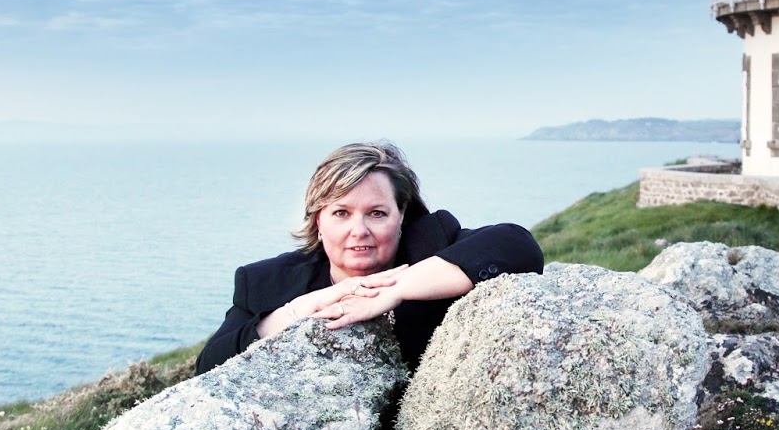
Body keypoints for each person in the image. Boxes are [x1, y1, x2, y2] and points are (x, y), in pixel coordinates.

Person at [195, 141, 543, 379]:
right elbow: (208, 366)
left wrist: (396, 288)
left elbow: (517, 245)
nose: (359, 231)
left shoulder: (431, 243)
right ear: (317, 220)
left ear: (401, 215)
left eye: (377, 213)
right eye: (341, 213)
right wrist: (298, 311)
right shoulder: (265, 281)